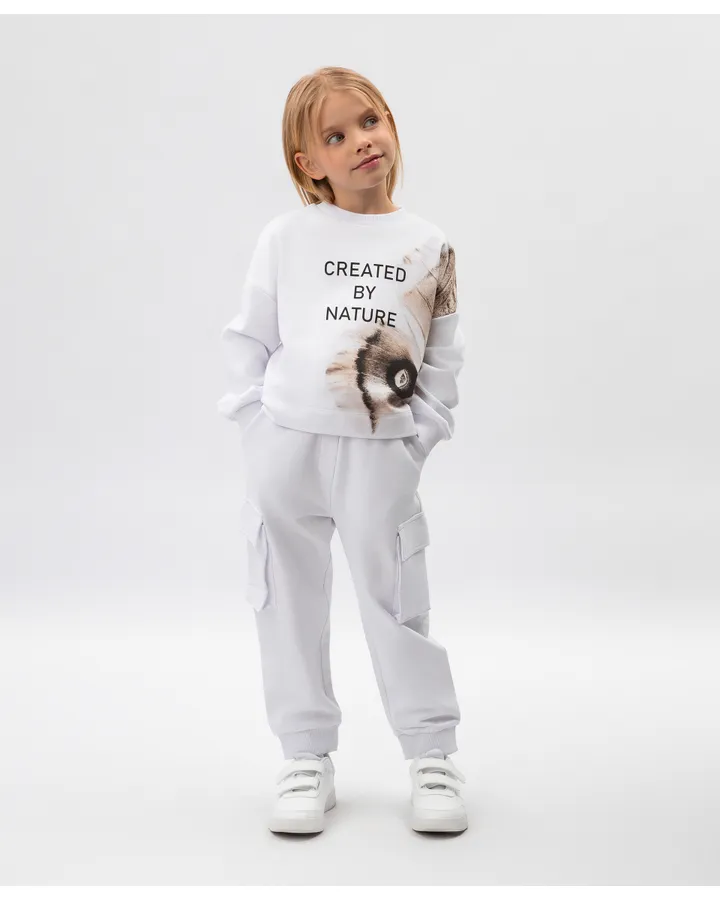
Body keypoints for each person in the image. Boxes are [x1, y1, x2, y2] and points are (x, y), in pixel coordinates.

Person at [217, 66, 467, 835]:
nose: (361, 140)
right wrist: (256, 427)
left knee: (398, 603)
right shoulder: (287, 238)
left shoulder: (428, 245)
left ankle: (431, 753)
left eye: (370, 121)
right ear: (310, 163)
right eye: (336, 135)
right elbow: (251, 336)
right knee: (286, 598)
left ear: (390, 126)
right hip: (287, 450)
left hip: (379, 455)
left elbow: (442, 359)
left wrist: (416, 441)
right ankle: (305, 755)